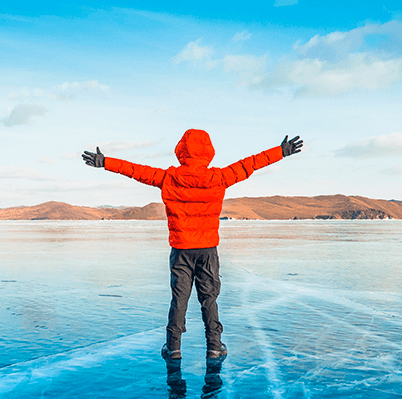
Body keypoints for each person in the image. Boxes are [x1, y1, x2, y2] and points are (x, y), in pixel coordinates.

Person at [83, 129, 303, 360]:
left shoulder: (168, 177)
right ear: (208, 151)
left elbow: (137, 171)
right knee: (209, 299)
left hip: (181, 250)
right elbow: (249, 165)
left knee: (179, 298)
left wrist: (105, 162)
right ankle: (215, 346)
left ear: (181, 151)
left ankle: (174, 346)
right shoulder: (219, 177)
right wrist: (281, 152)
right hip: (207, 251)